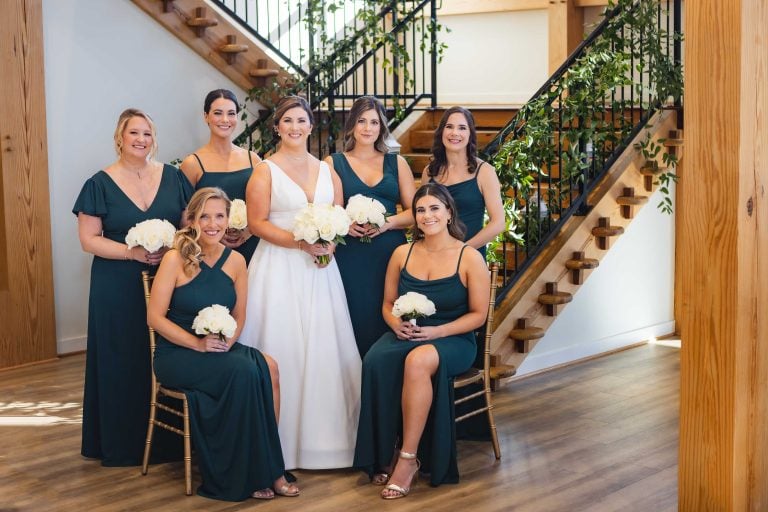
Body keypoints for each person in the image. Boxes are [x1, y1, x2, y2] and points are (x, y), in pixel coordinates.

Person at [147, 187, 299, 501]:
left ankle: (268, 464)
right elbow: (155, 318)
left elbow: (239, 314)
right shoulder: (176, 258)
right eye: (205, 216)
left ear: (229, 220)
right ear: (192, 220)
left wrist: (228, 339)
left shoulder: (237, 261)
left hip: (219, 348)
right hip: (178, 353)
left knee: (269, 367)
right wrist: (197, 344)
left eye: (219, 216)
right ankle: (255, 473)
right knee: (245, 372)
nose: (213, 223)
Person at [240, 95, 361, 470]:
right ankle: (280, 446)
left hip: (321, 271)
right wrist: (300, 242)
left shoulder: (327, 169)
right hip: (279, 268)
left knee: (325, 347)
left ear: (311, 126)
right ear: (277, 127)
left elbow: (337, 215)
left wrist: (329, 244)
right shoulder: (265, 170)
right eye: (288, 121)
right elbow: (257, 223)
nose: (295, 127)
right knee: (285, 346)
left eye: (301, 121)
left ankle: (328, 444)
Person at [354, 183, 491, 499]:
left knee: (418, 361)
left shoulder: (469, 257)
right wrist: (395, 324)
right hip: (409, 332)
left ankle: (408, 458)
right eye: (420, 210)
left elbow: (479, 315)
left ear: (448, 213)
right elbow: (388, 303)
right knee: (375, 359)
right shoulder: (402, 252)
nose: (427, 216)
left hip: (453, 338)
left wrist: (437, 333)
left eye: (434, 208)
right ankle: (380, 452)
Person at [73, 108, 193, 466]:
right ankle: (122, 443)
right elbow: (89, 240)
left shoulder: (174, 177)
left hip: (167, 281)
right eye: (133, 133)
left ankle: (169, 444)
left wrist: (175, 249)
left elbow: (189, 227)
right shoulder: (99, 183)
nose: (141, 140)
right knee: (122, 357)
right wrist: (131, 252)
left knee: (163, 355)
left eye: (147, 134)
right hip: (117, 285)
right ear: (119, 138)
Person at [324, 96, 416, 358]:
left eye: (374, 122)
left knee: (388, 314)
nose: (368, 128)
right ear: (352, 125)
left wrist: (387, 223)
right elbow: (332, 210)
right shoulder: (334, 162)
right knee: (355, 317)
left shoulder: (396, 163)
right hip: (351, 255)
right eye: (362, 121)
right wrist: (345, 225)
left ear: (381, 127)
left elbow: (414, 213)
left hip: (390, 254)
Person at [180, 89, 262, 264]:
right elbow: (185, 215)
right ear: (206, 116)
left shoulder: (253, 159)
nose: (225, 120)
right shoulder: (192, 163)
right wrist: (212, 234)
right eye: (218, 113)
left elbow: (265, 206)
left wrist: (249, 231)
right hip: (209, 251)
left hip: (252, 246)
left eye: (231, 114)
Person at [426, 106, 505, 258]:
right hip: (433, 256)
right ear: (441, 131)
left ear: (470, 135)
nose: (455, 133)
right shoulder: (429, 172)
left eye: (462, 128)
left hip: (469, 257)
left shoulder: (485, 171)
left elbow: (498, 223)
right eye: (449, 126)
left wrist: (462, 250)